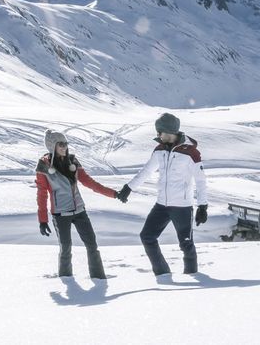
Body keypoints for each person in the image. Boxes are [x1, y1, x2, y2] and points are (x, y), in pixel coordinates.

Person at [116, 113, 209, 276]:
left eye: (160, 132)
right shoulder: (159, 150)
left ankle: (192, 275)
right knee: (147, 236)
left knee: (186, 244)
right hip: (161, 205)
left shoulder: (191, 153)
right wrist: (128, 188)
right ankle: (162, 274)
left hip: (182, 206)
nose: (158, 135)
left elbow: (201, 180)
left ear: (169, 131)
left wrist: (203, 206)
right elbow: (146, 171)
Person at [35, 129, 124, 279]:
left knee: (92, 245)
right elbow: (42, 195)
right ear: (52, 146)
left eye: (65, 143)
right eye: (60, 144)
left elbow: (90, 183)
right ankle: (66, 279)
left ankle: (99, 278)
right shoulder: (43, 168)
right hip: (60, 214)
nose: (64, 147)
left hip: (80, 211)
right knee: (66, 248)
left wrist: (114, 194)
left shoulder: (73, 162)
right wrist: (43, 220)